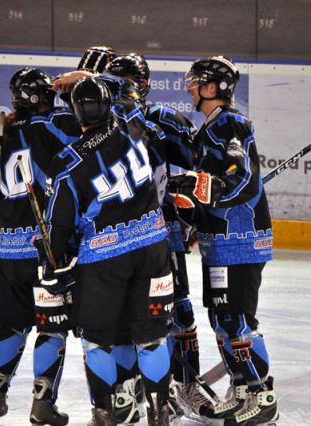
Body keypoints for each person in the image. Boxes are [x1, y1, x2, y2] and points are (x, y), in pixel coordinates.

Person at [44, 76, 174, 425]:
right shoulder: (133, 126)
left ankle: (105, 412)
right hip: (154, 248)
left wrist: (51, 264)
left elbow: (59, 222)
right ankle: (160, 413)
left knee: (98, 340)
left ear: (75, 112)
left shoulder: (68, 161)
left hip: (105, 259)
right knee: (152, 337)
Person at [167, 56, 278, 425]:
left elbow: (242, 179)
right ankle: (243, 387)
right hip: (220, 242)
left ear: (213, 87)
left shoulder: (230, 124)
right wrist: (192, 208)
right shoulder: (208, 129)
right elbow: (211, 189)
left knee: (238, 319)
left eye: (195, 82)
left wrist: (203, 188)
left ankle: (264, 395)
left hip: (241, 240)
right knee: (222, 318)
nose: (189, 87)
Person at [0, 68, 81, 426]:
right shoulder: (50, 130)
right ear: (42, 97)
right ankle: (42, 404)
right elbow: (76, 174)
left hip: (8, 252)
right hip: (43, 250)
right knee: (51, 327)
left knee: (11, 324)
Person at [105, 53, 207, 421]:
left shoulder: (160, 119)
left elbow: (199, 162)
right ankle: (127, 390)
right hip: (115, 237)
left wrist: (192, 206)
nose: (123, 89)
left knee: (178, 307)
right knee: (120, 317)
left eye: (129, 81)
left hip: (162, 230)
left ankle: (185, 383)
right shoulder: (99, 125)